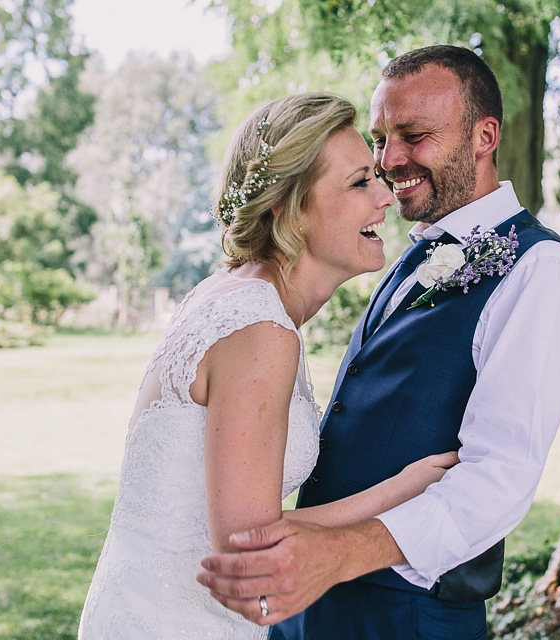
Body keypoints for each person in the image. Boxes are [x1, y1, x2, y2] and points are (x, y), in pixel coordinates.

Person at [196, 45, 560, 639]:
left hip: (407, 613)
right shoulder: (412, 252)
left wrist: (339, 554)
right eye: (382, 138)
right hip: (307, 596)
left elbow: (498, 478)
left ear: (484, 135)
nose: (389, 160)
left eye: (414, 135)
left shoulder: (540, 270)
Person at [77, 93, 460, 639]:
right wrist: (399, 491)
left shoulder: (233, 295)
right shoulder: (260, 329)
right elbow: (245, 542)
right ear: (289, 205)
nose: (385, 196)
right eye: (359, 183)